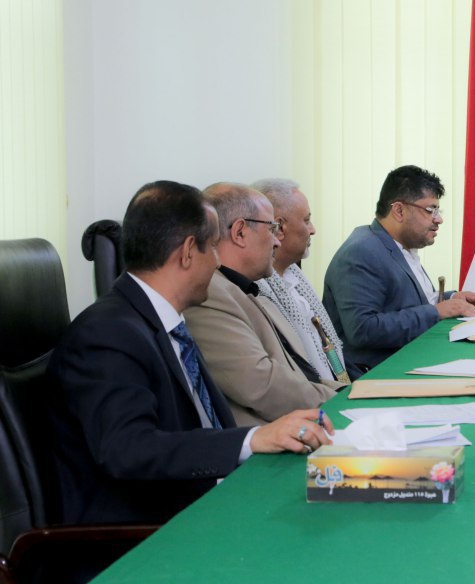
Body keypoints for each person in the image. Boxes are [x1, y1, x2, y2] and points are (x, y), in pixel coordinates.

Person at [48, 180, 332, 525]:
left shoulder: (165, 322)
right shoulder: (106, 334)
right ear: (186, 253)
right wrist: (252, 439)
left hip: (211, 499)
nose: (217, 262)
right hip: (149, 533)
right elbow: (129, 449)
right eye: (212, 248)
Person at [185, 183, 342, 426]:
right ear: (240, 233)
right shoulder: (210, 293)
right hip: (278, 433)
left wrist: (347, 392)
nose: (277, 242)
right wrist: (339, 400)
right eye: (272, 229)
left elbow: (300, 372)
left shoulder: (247, 287)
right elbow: (261, 384)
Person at [324, 165, 475, 373]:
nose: (439, 219)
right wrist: (436, 312)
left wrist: (452, 298)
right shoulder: (361, 252)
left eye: (438, 211)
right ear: (399, 211)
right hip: (379, 374)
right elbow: (363, 329)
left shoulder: (398, 246)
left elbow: (407, 302)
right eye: (430, 210)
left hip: (413, 359)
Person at [251, 178, 349, 382]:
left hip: (336, 385)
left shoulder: (295, 273)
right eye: (306, 220)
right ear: (279, 228)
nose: (312, 230)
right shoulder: (256, 291)